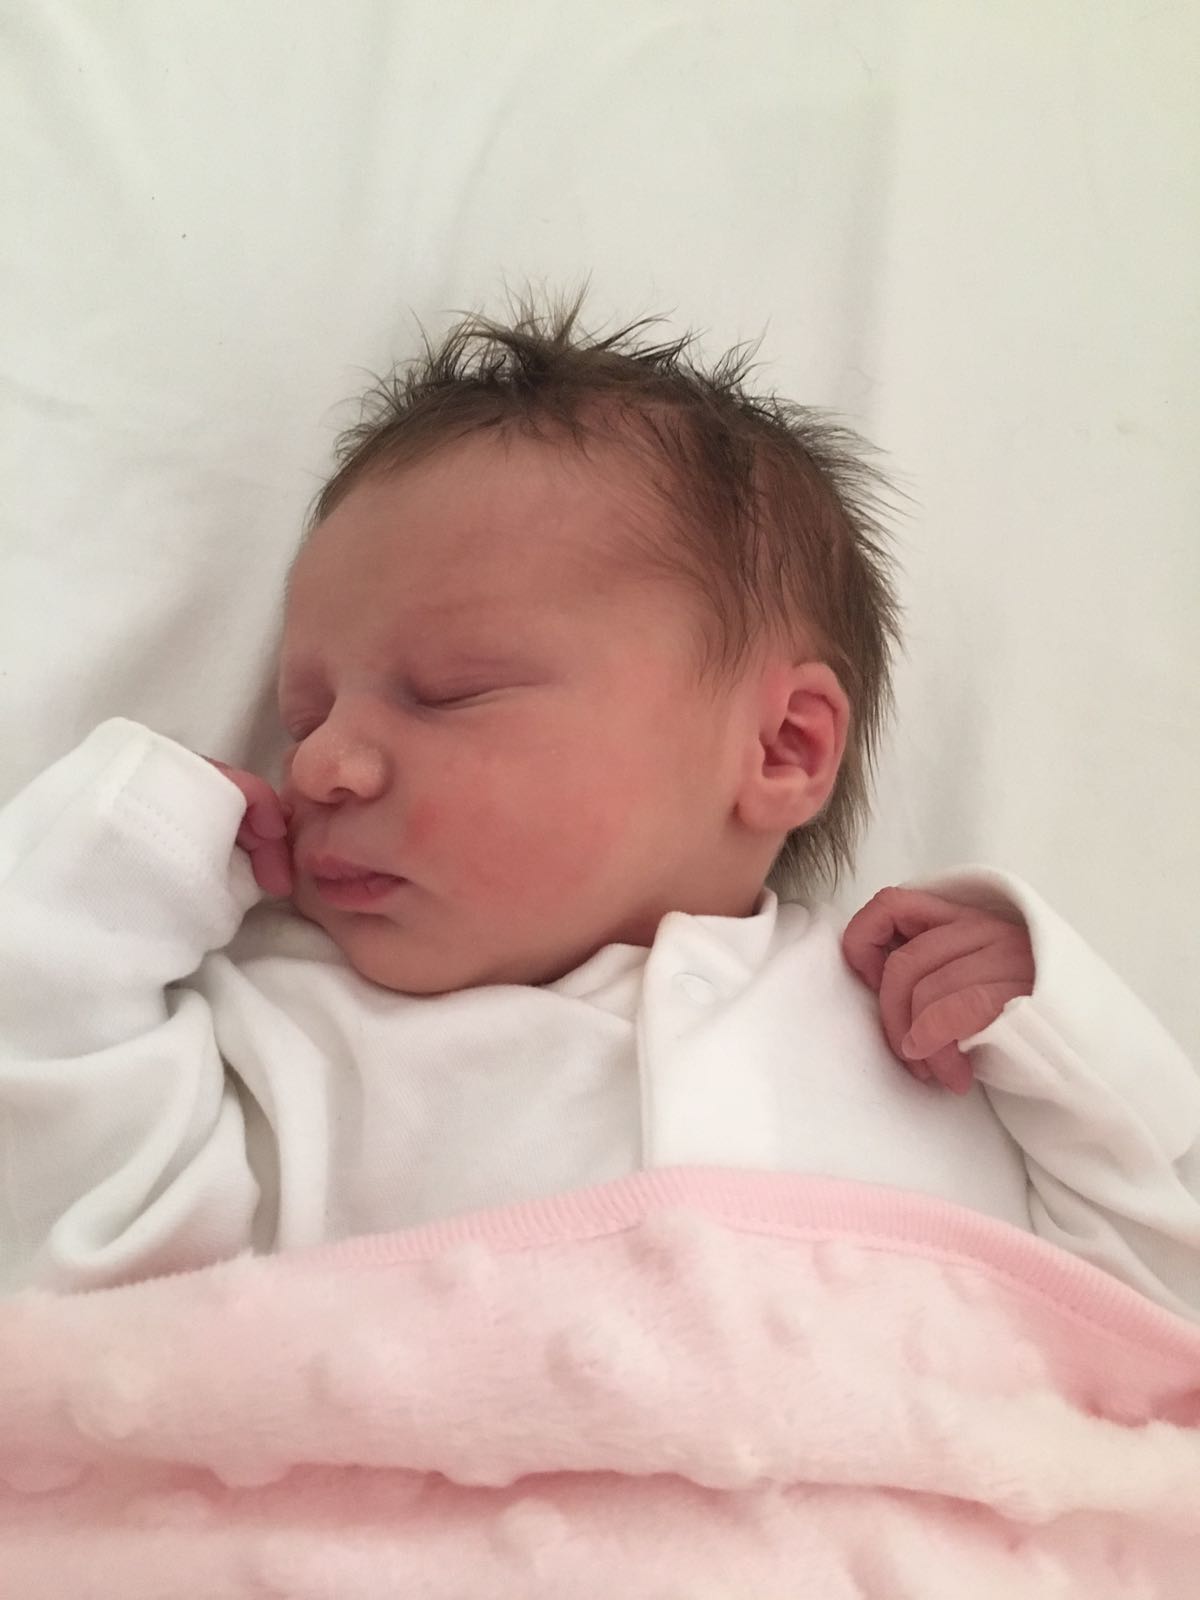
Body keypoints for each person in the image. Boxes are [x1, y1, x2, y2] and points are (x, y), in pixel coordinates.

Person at [2, 293, 1197, 1316]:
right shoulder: (294, 1035)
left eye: (447, 691)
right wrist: (114, 868)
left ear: (782, 746)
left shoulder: (913, 1032)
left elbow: (1151, 1305)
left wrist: (1061, 1029)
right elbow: (77, 1252)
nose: (321, 767)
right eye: (304, 715)